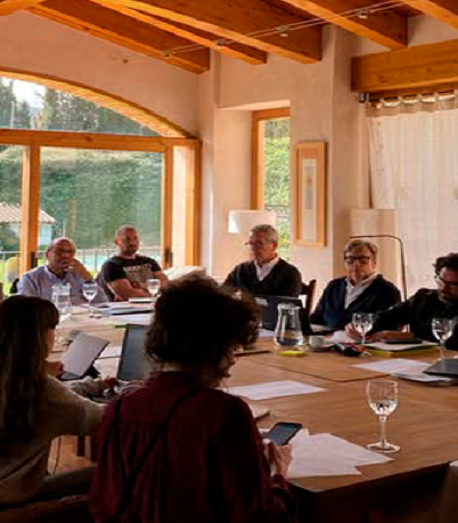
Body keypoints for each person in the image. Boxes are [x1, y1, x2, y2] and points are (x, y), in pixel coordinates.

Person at [90, 276, 295, 523]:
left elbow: (104, 503)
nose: (232, 361)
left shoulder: (121, 406)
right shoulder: (224, 413)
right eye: (231, 348)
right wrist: (278, 474)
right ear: (213, 347)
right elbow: (261, 517)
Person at [0, 296, 113, 515]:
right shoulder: (43, 390)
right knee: (111, 473)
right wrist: (134, 395)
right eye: (52, 328)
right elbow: (106, 420)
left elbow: (59, 405)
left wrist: (92, 385)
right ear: (38, 336)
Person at [359, 252, 458, 352]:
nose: (444, 288)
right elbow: (388, 316)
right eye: (441, 281)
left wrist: (408, 337)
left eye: (454, 284)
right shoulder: (424, 297)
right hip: (414, 364)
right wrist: (363, 326)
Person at [308, 239, 399, 333]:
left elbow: (390, 328)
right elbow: (316, 318)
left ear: (374, 262)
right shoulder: (334, 286)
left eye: (363, 260)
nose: (356, 264)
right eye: (350, 260)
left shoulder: (387, 291)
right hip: (327, 342)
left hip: (364, 344)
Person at [17, 237, 108, 305]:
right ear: (47, 254)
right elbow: (26, 307)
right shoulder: (31, 278)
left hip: (80, 321)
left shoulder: (80, 275)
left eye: (70, 252)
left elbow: (101, 302)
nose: (65, 255)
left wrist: (87, 278)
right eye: (59, 251)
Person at [224, 224, 303, 299]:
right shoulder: (241, 269)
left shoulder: (290, 273)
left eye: (259, 244)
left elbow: (288, 305)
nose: (253, 248)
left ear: (274, 246)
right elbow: (223, 293)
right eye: (251, 243)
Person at [97, 225, 168, 300]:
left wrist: (141, 285)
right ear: (117, 242)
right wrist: (153, 290)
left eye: (135, 238)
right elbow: (127, 294)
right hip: (127, 310)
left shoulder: (149, 261)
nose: (132, 243)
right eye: (127, 239)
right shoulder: (112, 265)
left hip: (153, 307)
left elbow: (166, 285)